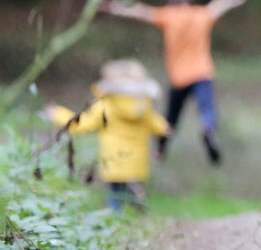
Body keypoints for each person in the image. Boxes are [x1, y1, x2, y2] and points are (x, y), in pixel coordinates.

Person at [98, 0, 247, 164]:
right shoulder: (201, 14)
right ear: (189, 1)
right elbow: (218, 5)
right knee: (207, 108)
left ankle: (161, 149)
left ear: (170, 2)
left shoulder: (168, 16)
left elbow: (140, 11)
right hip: (202, 73)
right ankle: (208, 130)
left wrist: (113, 6)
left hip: (179, 78)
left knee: (172, 116)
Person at [43, 59, 170, 211]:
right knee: (130, 185)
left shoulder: (107, 105)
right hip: (137, 160)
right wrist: (165, 128)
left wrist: (58, 115)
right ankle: (136, 205)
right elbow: (157, 124)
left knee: (115, 193)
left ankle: (116, 215)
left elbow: (82, 123)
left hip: (115, 159)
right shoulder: (143, 106)